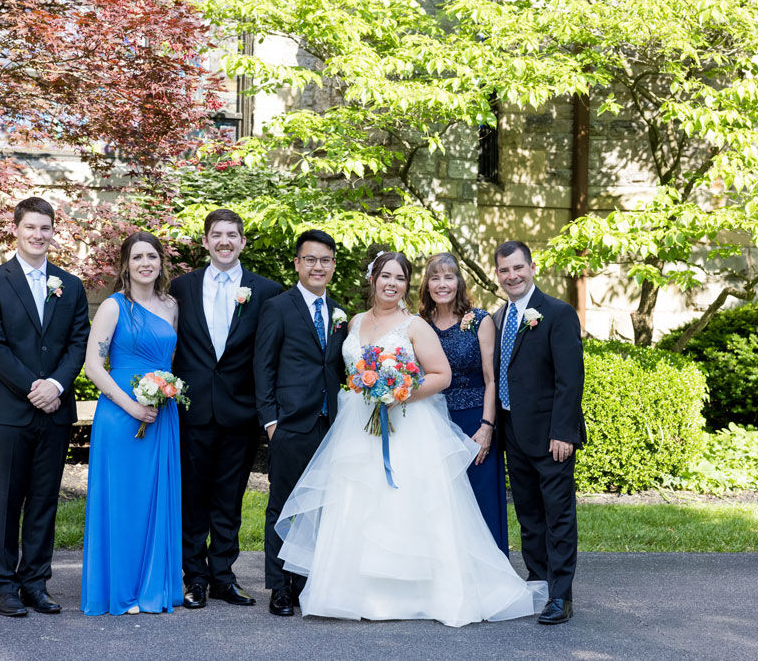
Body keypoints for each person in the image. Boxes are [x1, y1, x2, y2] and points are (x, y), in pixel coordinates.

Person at [275, 252, 545, 628]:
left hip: (407, 425)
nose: (391, 283)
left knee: (403, 502)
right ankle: (350, 592)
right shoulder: (353, 322)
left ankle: (413, 594)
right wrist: (371, 392)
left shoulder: (415, 325)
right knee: (356, 501)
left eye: (400, 278)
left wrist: (398, 391)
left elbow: (441, 375)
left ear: (406, 285)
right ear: (373, 280)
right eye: (385, 276)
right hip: (357, 427)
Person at [0, 196, 90, 617]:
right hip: (8, 410)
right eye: (31, 228)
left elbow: (79, 343)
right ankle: (3, 586)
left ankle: (35, 583)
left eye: (46, 228)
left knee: (44, 499)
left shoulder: (70, 285)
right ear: (16, 230)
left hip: (55, 410)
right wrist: (34, 387)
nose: (38, 235)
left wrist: (57, 384)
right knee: (5, 499)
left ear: (53, 232)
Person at [169, 209, 282, 609]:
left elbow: (269, 354)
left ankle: (223, 576)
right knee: (193, 497)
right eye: (216, 234)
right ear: (205, 241)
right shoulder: (180, 287)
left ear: (243, 242)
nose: (224, 241)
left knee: (229, 499)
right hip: (192, 408)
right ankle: (194, 578)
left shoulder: (266, 291)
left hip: (239, 411)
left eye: (232, 235)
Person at [80, 232, 182, 615]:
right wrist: (132, 407)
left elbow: (168, 360)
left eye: (152, 256)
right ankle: (121, 589)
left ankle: (152, 586)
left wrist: (164, 392)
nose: (145, 263)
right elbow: (93, 366)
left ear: (160, 263)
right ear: (125, 264)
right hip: (121, 413)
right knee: (123, 500)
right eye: (137, 256)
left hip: (162, 412)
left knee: (154, 499)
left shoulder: (171, 305)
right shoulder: (113, 306)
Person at [254, 229, 349, 617]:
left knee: (321, 507)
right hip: (291, 424)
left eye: (325, 260)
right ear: (297, 263)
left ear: (332, 266)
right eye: (310, 259)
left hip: (331, 426)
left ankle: (308, 582)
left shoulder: (340, 312)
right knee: (284, 507)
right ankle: (279, 586)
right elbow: (263, 368)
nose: (318, 266)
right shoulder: (278, 307)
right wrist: (272, 422)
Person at [492, 240, 586, 625]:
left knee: (557, 514)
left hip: (552, 437)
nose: (512, 275)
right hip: (512, 431)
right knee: (528, 514)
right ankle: (538, 580)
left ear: (532, 268)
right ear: (497, 275)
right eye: (504, 270)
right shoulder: (498, 318)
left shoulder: (558, 313)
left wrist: (563, 432)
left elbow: (570, 378)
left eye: (518, 268)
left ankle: (560, 595)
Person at [418, 252, 507, 554]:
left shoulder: (479, 321)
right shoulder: (418, 325)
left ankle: (490, 582)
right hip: (431, 422)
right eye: (435, 277)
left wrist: (486, 427)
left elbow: (491, 379)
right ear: (427, 284)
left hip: (473, 421)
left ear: (459, 281)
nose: (442, 284)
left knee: (480, 501)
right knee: (440, 503)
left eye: (448, 277)